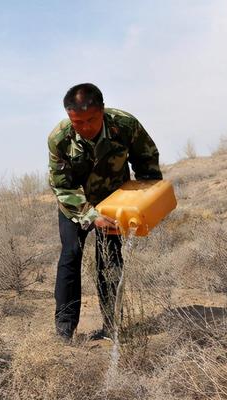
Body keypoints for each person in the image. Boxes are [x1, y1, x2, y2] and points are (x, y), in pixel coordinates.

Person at [47, 83, 163, 342]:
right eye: (77, 122)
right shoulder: (59, 138)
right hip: (75, 204)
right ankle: (65, 330)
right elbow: (62, 187)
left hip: (113, 202)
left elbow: (147, 164)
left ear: (103, 110)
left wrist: (140, 206)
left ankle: (112, 327)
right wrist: (90, 216)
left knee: (109, 258)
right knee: (71, 254)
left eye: (91, 120)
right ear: (69, 117)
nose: (85, 127)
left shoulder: (124, 125)